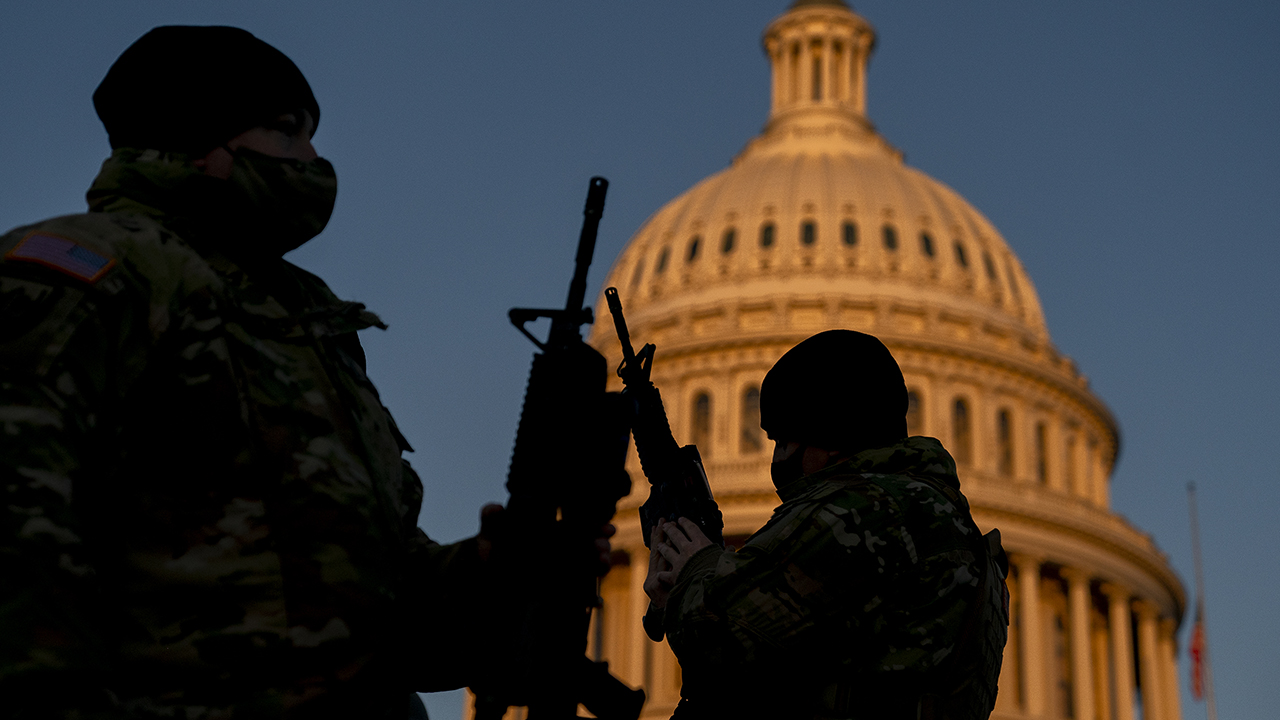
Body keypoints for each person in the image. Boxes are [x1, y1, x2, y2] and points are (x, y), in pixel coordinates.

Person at [0, 26, 609, 718]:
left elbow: (376, 606)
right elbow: (18, 518)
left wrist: (488, 573)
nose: (313, 159)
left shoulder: (304, 318)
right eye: (287, 130)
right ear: (201, 139)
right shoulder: (90, 271)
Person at [644, 330, 1008, 720]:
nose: (777, 461)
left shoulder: (858, 509)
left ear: (831, 437)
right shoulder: (941, 515)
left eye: (783, 442)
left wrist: (692, 571)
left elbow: (724, 644)